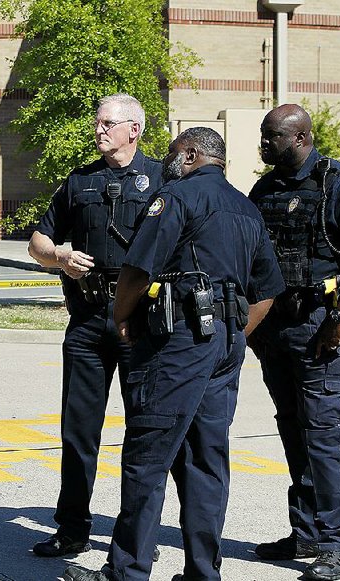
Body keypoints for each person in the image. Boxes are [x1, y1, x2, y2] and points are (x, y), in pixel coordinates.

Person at [63, 127, 285, 581]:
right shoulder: (246, 207)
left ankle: (126, 571)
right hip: (224, 341)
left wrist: (123, 317)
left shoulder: (177, 197)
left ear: (189, 154)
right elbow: (267, 291)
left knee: (148, 454)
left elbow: (137, 269)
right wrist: (235, 332)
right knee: (206, 458)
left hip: (179, 340)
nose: (166, 161)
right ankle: (203, 572)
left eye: (171, 153)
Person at [247, 104, 340, 581]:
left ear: (301, 138)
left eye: (272, 138)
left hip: (324, 328)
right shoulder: (264, 189)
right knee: (292, 427)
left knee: (324, 433)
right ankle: (306, 531)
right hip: (278, 330)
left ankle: (337, 544)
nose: (264, 145)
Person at [28, 93, 163, 559]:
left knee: (145, 430)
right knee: (78, 430)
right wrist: (59, 257)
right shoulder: (79, 181)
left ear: (134, 129)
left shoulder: (163, 180)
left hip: (140, 322)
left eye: (108, 123)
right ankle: (71, 530)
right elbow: (37, 242)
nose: (99, 130)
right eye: (97, 122)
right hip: (87, 320)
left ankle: (138, 535)